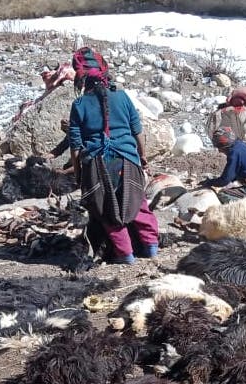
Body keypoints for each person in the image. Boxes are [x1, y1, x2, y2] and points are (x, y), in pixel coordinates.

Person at [68, 47, 158, 265]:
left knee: (108, 211)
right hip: (127, 159)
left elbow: (76, 147)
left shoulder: (79, 105)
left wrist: (79, 174)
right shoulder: (122, 96)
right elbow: (138, 131)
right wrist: (142, 158)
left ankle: (126, 255)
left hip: (97, 164)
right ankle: (151, 248)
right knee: (137, 204)